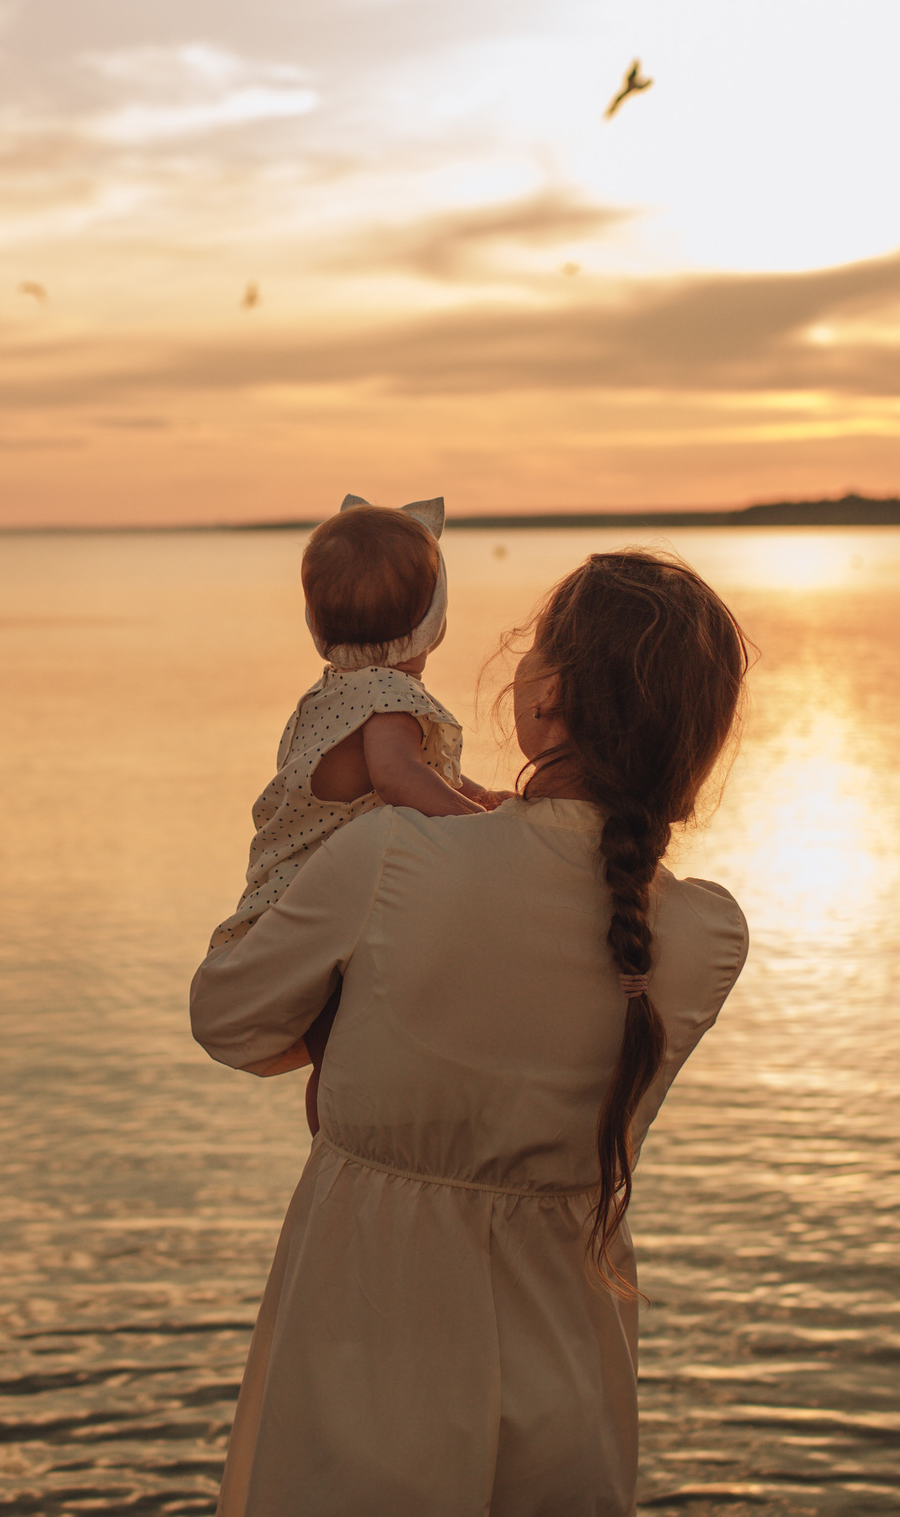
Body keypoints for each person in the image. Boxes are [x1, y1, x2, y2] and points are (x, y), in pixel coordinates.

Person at [191, 548, 751, 1515]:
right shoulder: (704, 934)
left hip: (364, 1361)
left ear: (550, 703)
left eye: (535, 648)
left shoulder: (391, 854)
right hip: (569, 1382)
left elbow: (229, 1017)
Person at [209, 495, 510, 1129]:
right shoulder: (389, 696)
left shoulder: (333, 694)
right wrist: (481, 827)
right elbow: (398, 778)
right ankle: (345, 1147)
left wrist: (475, 793)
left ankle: (335, 1149)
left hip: (289, 896)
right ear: (436, 622)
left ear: (317, 626)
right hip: (333, 908)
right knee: (344, 1059)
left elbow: (407, 776)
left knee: (334, 1055)